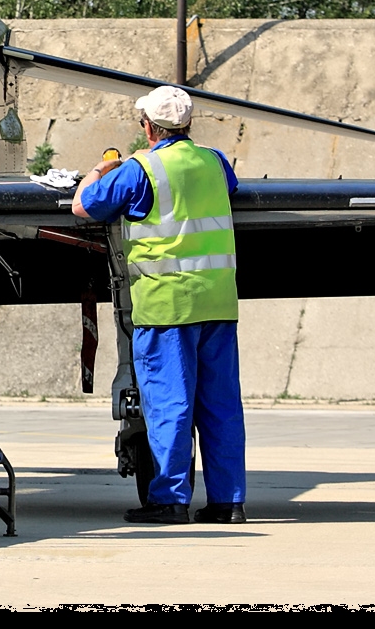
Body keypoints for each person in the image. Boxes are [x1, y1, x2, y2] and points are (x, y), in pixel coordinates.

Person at [71, 85, 247, 525]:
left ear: (148, 127)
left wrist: (99, 168)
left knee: (170, 404)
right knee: (221, 406)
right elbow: (229, 187)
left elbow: (83, 206)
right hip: (218, 303)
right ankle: (228, 503)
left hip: (168, 307)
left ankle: (169, 500)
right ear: (187, 125)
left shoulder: (140, 169)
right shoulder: (215, 161)